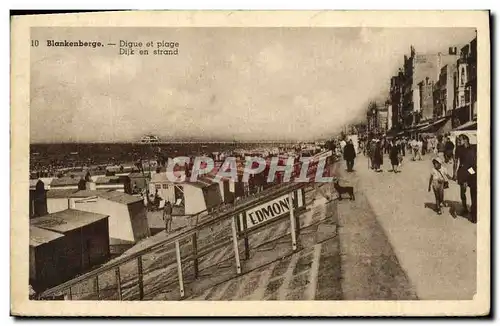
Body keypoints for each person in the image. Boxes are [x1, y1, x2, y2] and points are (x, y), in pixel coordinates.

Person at [453, 134, 477, 222]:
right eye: (458, 140)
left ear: (466, 139)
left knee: (474, 191)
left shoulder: (473, 147)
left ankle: (473, 209)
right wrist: (454, 173)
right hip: (462, 171)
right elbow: (455, 162)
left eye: (460, 139)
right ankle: (464, 207)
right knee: (463, 191)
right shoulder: (458, 149)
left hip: (472, 171)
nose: (458, 141)